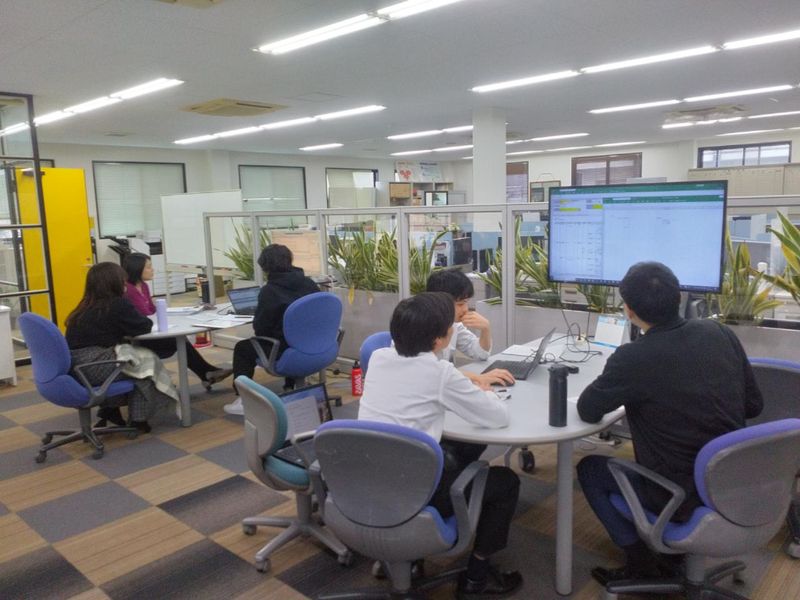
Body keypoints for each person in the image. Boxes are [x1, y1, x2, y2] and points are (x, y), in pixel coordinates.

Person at [576, 262, 763, 586]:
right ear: (679, 298)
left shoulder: (632, 357)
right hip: (736, 482)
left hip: (679, 497)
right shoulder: (719, 332)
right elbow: (754, 406)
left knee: (589, 469)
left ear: (628, 310)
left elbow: (588, 411)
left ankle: (642, 564)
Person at [359, 292, 523, 599]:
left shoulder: (379, 358)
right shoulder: (439, 372)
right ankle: (476, 578)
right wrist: (486, 390)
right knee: (505, 482)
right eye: (451, 327)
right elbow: (497, 417)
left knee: (464, 447)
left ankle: (409, 558)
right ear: (438, 340)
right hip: (414, 493)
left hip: (363, 485)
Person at [65, 262, 171, 432]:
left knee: (128, 358)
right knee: (144, 368)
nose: (125, 284)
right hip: (92, 365)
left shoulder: (86, 304)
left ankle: (110, 410)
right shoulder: (117, 304)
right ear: (114, 283)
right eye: (122, 281)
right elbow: (144, 326)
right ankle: (138, 421)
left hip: (75, 364)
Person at [224, 244, 319, 415]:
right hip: (314, 344)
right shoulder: (309, 283)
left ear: (265, 267)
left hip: (285, 349)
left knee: (243, 348)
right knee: (290, 334)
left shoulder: (270, 291)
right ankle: (290, 385)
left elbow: (261, 329)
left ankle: (243, 400)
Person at [122, 253, 232, 386]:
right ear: (137, 269)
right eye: (149, 267)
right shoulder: (129, 290)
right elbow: (146, 313)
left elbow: (152, 310)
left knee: (181, 339)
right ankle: (206, 373)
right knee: (179, 340)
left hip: (150, 328)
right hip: (141, 335)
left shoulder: (143, 286)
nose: (152, 270)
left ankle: (206, 373)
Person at [426, 268, 514, 388]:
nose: (465, 309)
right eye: (460, 304)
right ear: (440, 302)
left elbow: (480, 354)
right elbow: (431, 371)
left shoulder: (453, 324)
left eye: (466, 302)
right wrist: (477, 378)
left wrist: (485, 329)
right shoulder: (419, 326)